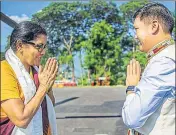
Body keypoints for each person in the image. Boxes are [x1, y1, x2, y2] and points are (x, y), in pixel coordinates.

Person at [122, 3, 175, 135]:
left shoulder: (164, 62)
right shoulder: (165, 56)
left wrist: (131, 88)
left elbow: (132, 118)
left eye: (137, 29)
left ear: (154, 26)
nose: (135, 36)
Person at [0, 21, 58, 135]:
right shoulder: (4, 71)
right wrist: (43, 88)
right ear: (20, 45)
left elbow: (50, 105)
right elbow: (21, 120)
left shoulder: (36, 70)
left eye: (44, 47)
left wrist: (48, 88)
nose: (43, 52)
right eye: (39, 46)